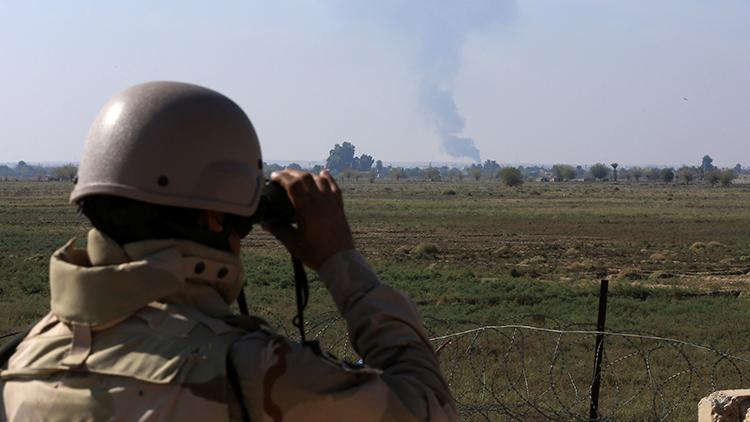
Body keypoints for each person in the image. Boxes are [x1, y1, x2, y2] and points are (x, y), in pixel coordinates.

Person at [0, 81, 457, 421]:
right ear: (216, 219)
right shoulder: (251, 372)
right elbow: (428, 407)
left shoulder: (22, 359)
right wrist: (341, 263)